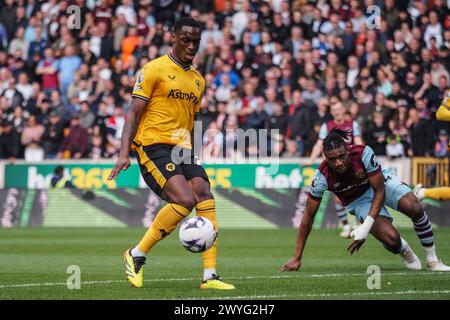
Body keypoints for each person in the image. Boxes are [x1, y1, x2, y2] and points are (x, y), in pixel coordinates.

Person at [107, 17, 234, 290]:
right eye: (186, 40)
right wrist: (123, 152)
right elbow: (133, 114)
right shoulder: (153, 69)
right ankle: (136, 254)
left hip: (183, 148)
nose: (191, 46)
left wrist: (197, 152)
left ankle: (209, 275)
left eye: (196, 42)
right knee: (184, 200)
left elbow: (195, 120)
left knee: (204, 194)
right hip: (153, 145)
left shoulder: (198, 80)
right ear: (172, 37)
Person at [282, 128, 450, 273]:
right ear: (325, 157)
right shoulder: (321, 178)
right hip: (358, 200)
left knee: (414, 207)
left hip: (378, 184)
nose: (338, 162)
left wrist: (365, 226)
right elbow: (308, 217)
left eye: (341, 156)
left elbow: (379, 191)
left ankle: (433, 260)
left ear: (347, 149)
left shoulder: (363, 153)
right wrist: (297, 256)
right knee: (392, 239)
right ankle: (403, 248)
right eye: (332, 159)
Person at [309, 101, 364, 238]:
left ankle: (357, 224)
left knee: (357, 193)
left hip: (351, 165)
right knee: (338, 197)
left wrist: (363, 156)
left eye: (339, 109)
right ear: (332, 112)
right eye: (334, 110)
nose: (337, 112)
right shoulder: (326, 126)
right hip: (335, 166)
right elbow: (318, 144)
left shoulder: (353, 124)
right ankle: (345, 226)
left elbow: (358, 141)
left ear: (343, 110)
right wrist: (311, 160)